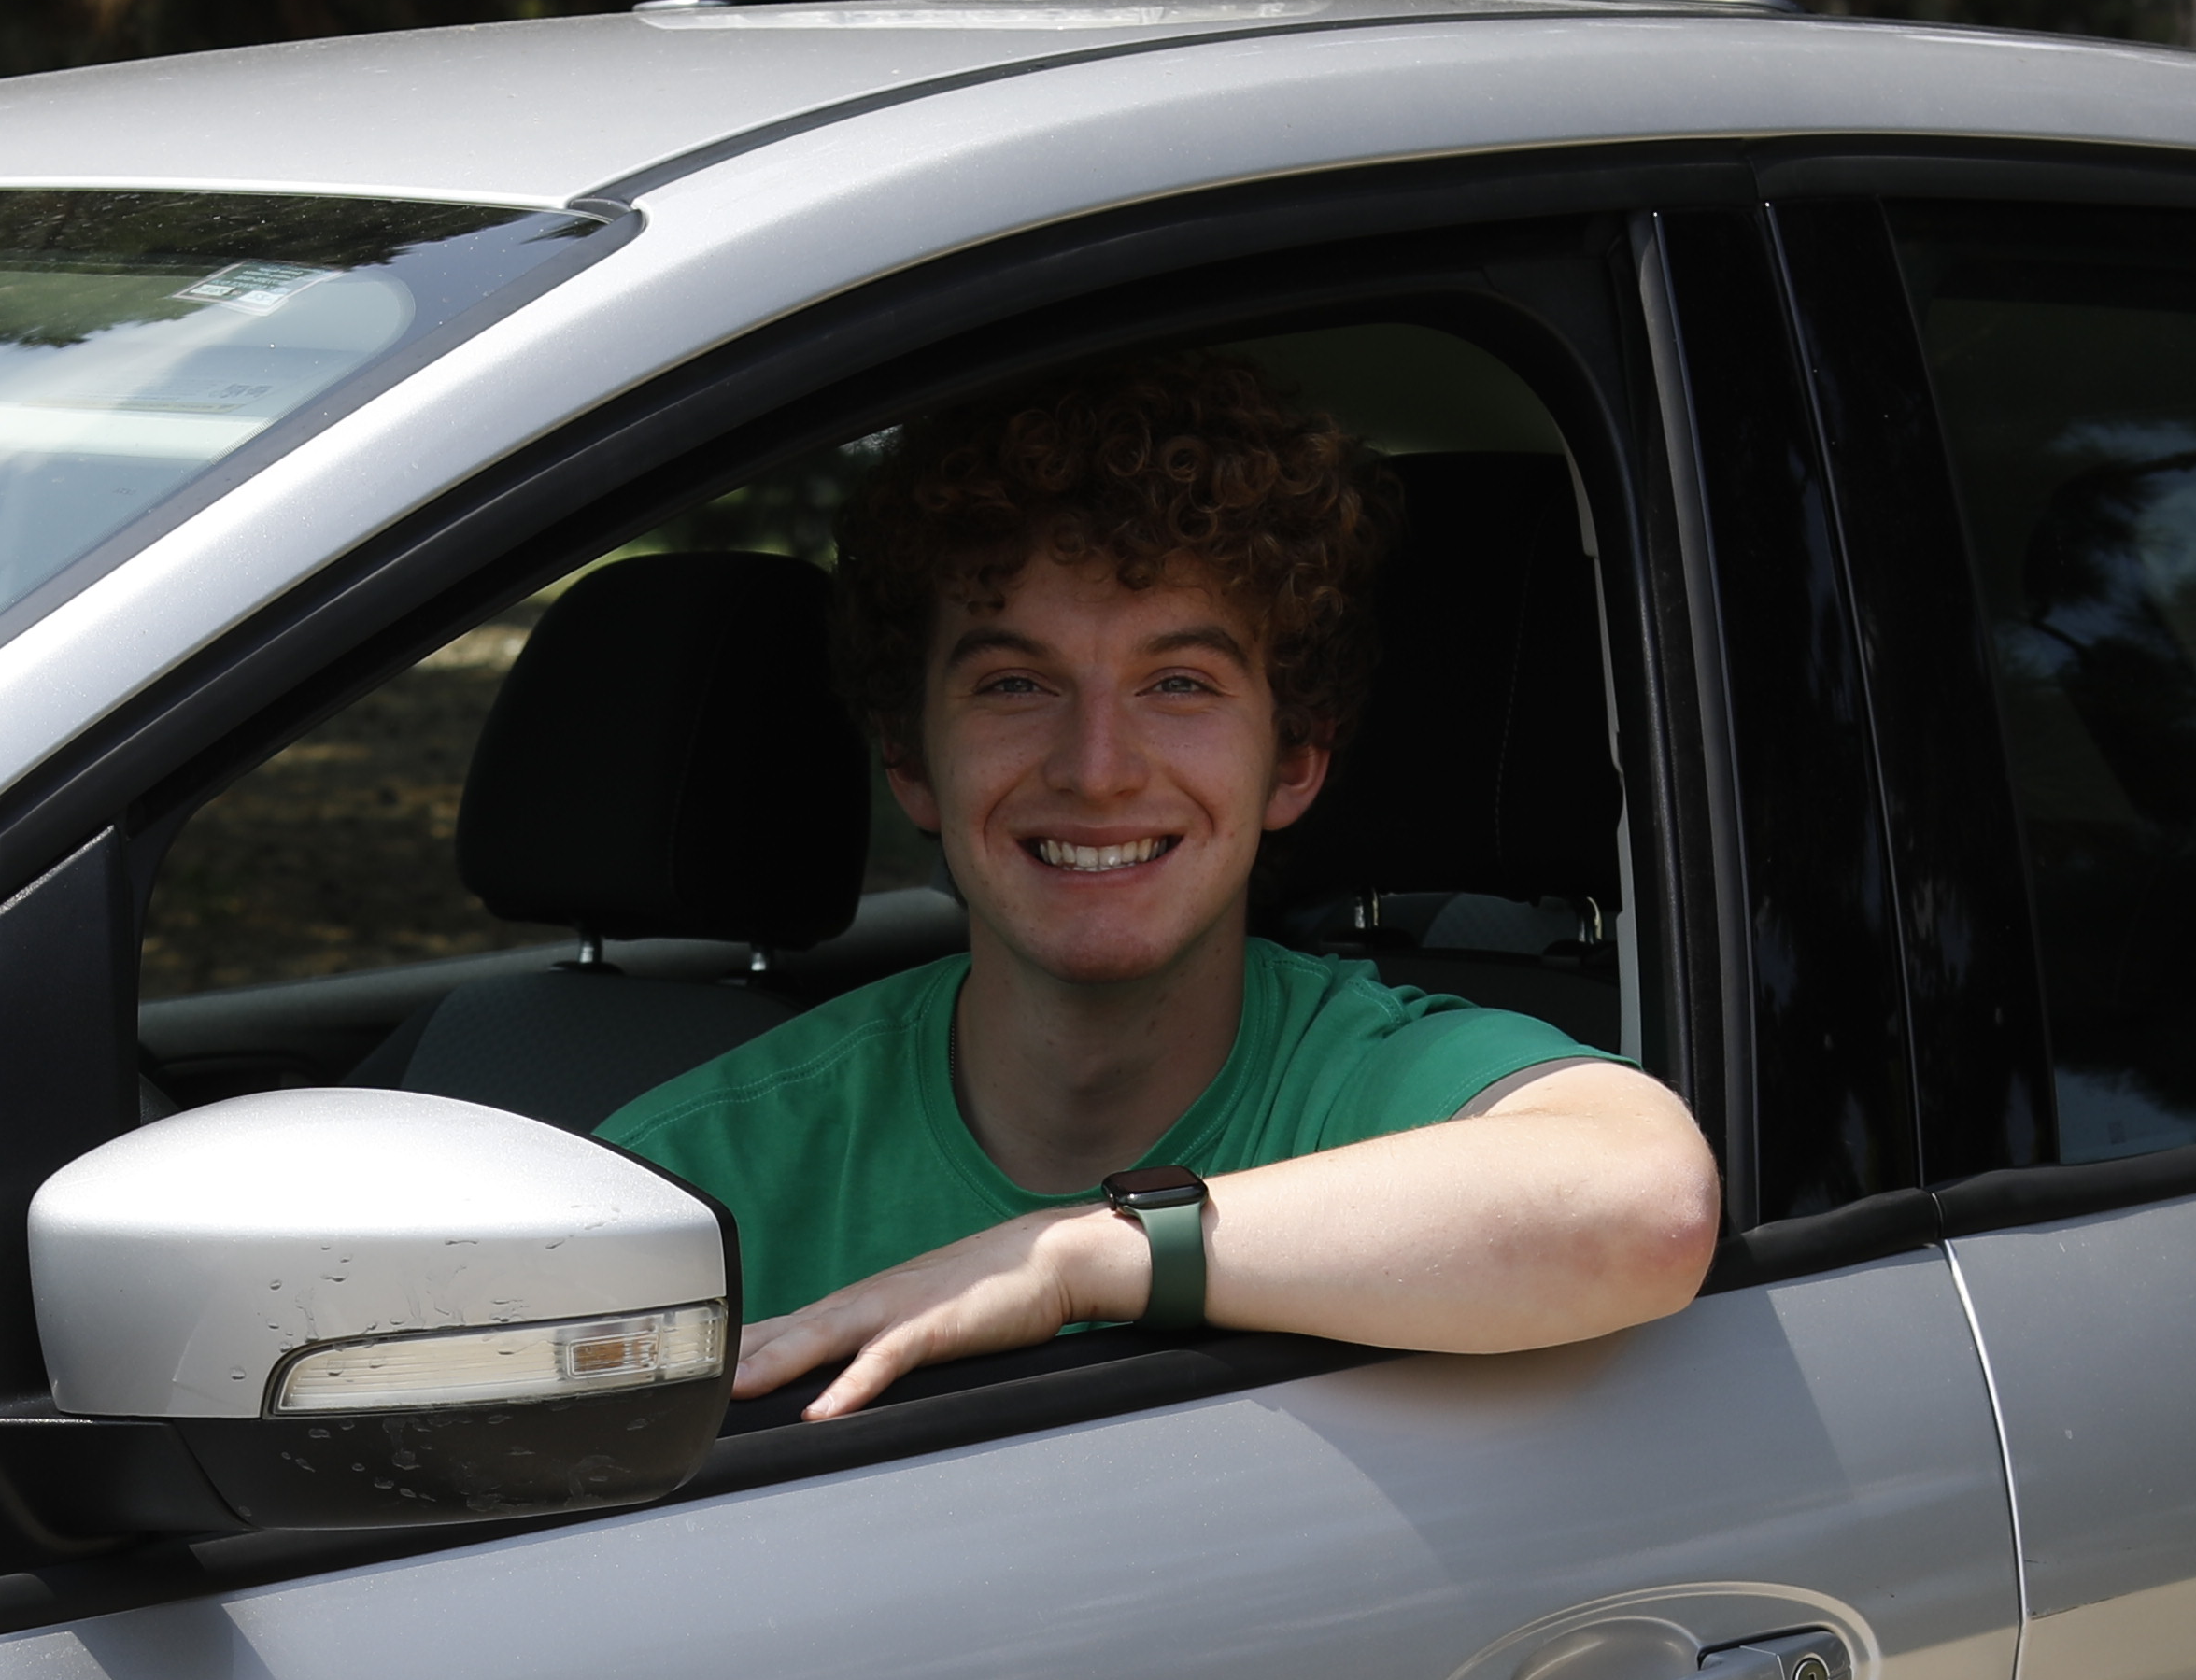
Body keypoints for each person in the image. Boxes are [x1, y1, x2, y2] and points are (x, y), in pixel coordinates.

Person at [595, 350, 1721, 1420]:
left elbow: (1647, 1206)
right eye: (1016, 683)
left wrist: (1077, 1258)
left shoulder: (1373, 1085)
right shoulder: (704, 1180)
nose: (1097, 769)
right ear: (909, 759)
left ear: (1293, 761)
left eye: (1178, 682)